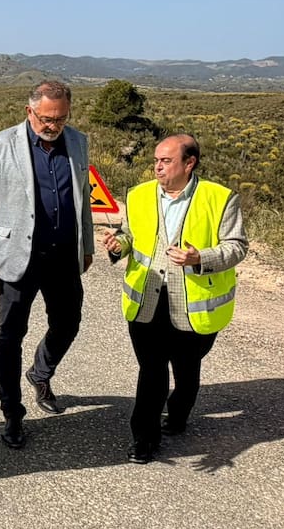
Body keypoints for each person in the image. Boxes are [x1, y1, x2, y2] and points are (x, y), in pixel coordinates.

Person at [102, 133, 248, 464]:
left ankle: (179, 414)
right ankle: (144, 438)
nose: (157, 167)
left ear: (189, 163)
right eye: (156, 160)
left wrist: (200, 258)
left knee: (186, 368)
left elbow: (237, 246)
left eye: (166, 161)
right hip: (147, 299)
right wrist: (118, 245)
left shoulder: (220, 198)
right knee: (151, 370)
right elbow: (130, 236)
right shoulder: (138, 195)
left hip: (194, 304)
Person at [0, 80, 94, 449]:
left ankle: (40, 372)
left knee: (68, 323)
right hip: (16, 256)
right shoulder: (1, 144)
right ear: (30, 111)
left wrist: (86, 245)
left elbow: (83, 199)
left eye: (60, 119)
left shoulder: (78, 142)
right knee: (9, 336)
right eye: (46, 118)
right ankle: (12, 413)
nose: (53, 125)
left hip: (64, 255)